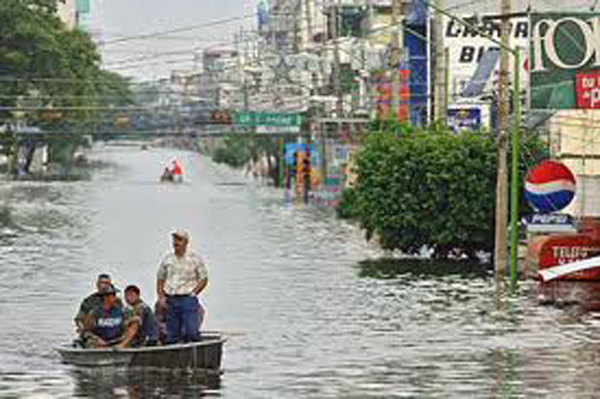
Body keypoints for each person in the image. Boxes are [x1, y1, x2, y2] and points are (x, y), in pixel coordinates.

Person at [156, 230, 208, 344]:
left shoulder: (195, 259)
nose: (176, 242)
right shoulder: (167, 259)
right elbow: (160, 279)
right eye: (174, 240)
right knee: (172, 333)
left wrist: (194, 293)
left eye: (179, 240)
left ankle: (196, 352)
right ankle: (176, 355)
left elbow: (204, 279)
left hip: (187, 299)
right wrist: (161, 296)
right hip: (171, 299)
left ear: (186, 242)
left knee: (191, 331)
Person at [84, 284, 138, 349]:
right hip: (100, 342)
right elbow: (87, 331)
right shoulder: (95, 312)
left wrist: (123, 344)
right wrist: (97, 339)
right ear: (105, 297)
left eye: (114, 295)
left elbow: (135, 322)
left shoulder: (122, 310)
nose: (114, 297)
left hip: (118, 341)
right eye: (111, 295)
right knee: (90, 343)